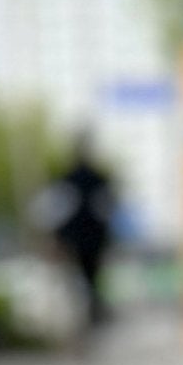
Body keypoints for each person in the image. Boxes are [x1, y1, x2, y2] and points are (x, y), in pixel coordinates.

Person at [48, 139, 116, 333]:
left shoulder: (67, 180)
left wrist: (57, 238)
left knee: (75, 285)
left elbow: (58, 212)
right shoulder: (99, 180)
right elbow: (106, 211)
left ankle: (82, 322)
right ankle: (87, 317)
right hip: (92, 241)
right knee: (88, 282)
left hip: (74, 241)